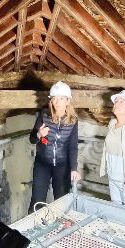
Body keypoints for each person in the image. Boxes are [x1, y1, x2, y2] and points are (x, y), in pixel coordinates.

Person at [28, 81, 81, 213]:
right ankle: (34, 228)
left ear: (68, 101)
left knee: (62, 201)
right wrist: (39, 134)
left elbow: (73, 146)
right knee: (37, 200)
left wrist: (74, 168)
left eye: (61, 99)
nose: (57, 102)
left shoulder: (73, 120)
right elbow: (32, 139)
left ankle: (62, 228)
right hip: (42, 164)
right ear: (51, 101)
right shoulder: (44, 115)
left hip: (62, 166)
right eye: (54, 99)